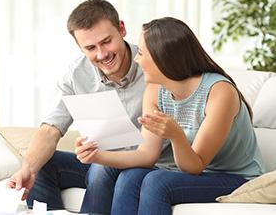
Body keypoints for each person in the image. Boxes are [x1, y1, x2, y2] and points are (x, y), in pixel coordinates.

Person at [75, 17, 265, 215]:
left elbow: (194, 167)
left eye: (140, 53)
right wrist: (97, 156)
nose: (137, 59)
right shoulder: (155, 90)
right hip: (197, 175)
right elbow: (146, 155)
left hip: (237, 178)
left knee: (157, 181)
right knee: (130, 177)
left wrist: (176, 136)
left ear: (162, 57)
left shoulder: (219, 92)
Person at [6, 0, 145, 214]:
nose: (102, 54)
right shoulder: (76, 74)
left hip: (143, 164)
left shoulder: (152, 65)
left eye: (106, 41)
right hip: (100, 165)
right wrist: (28, 169)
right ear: (80, 47)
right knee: (42, 164)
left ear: (122, 29)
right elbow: (51, 128)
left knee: (102, 165)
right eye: (90, 47)